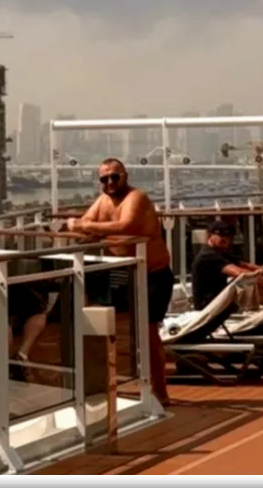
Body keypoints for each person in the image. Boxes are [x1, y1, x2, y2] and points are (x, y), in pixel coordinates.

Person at [66, 158, 176, 405]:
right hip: (123, 272)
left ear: (125, 176)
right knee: (104, 326)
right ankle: (105, 385)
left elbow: (127, 224)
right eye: (104, 179)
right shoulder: (103, 200)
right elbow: (86, 224)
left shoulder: (137, 197)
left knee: (148, 333)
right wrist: (85, 225)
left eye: (115, 177)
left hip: (152, 273)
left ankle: (160, 390)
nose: (110, 183)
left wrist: (85, 225)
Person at [189, 220, 263, 311]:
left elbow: (246, 266)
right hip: (208, 306)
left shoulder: (220, 253)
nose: (226, 239)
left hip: (218, 300)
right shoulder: (208, 255)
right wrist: (259, 278)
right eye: (221, 235)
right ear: (210, 236)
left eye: (228, 236)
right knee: (248, 282)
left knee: (250, 280)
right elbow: (239, 273)